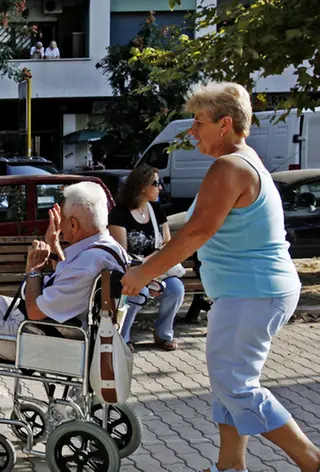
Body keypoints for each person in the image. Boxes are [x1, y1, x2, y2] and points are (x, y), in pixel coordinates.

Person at [120, 82, 320, 472]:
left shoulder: (230, 167)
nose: (192, 131)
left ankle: (311, 460)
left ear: (225, 124)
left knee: (235, 385)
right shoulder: (244, 160)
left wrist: (143, 273)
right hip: (251, 291)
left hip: (253, 292)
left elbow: (196, 233)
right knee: (228, 383)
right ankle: (230, 467)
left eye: (198, 123)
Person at [0, 182, 127, 430]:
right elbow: (68, 282)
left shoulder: (89, 262)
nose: (59, 225)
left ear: (74, 224)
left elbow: (35, 311)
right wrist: (54, 245)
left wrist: (33, 270)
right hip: (69, 332)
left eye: (63, 220)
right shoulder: (107, 248)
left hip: (57, 344)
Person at [109, 165, 183, 351]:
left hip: (156, 268)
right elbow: (121, 252)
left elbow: (167, 242)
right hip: (130, 269)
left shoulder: (156, 210)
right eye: (156, 183)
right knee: (137, 291)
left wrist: (152, 263)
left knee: (176, 289)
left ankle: (163, 334)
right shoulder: (120, 214)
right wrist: (145, 268)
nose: (160, 188)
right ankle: (123, 338)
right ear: (142, 186)